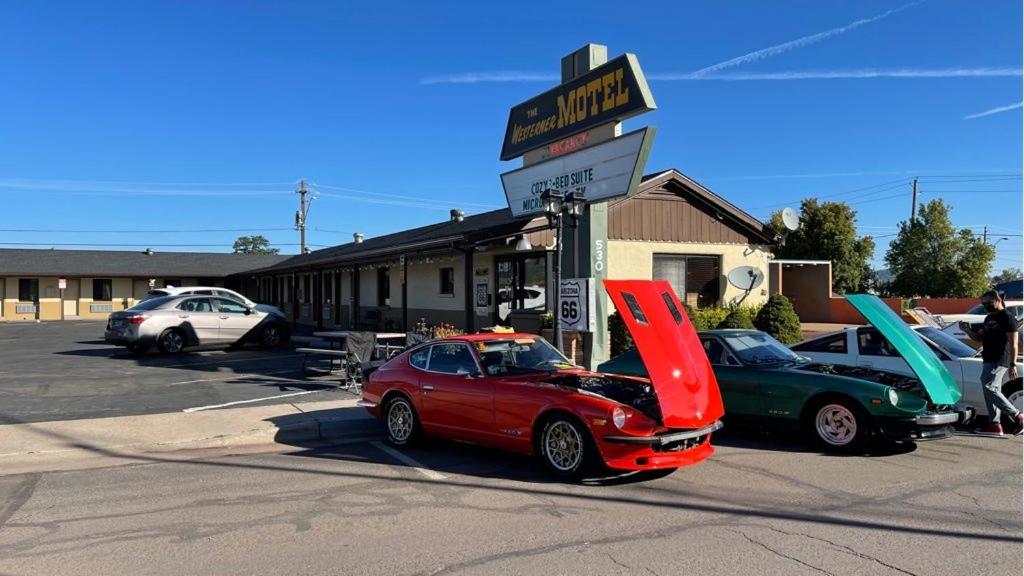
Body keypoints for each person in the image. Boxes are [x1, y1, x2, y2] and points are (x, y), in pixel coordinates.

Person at [960, 290, 1023, 436]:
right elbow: (979, 338)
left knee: (989, 386)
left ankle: (1017, 415)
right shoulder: (989, 318)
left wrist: (1012, 364)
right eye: (983, 303)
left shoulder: (1008, 318)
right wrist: (967, 330)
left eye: (988, 303)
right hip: (987, 358)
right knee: (992, 390)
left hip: (1000, 359)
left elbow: (1014, 343)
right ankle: (994, 425)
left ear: (998, 300)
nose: (986, 305)